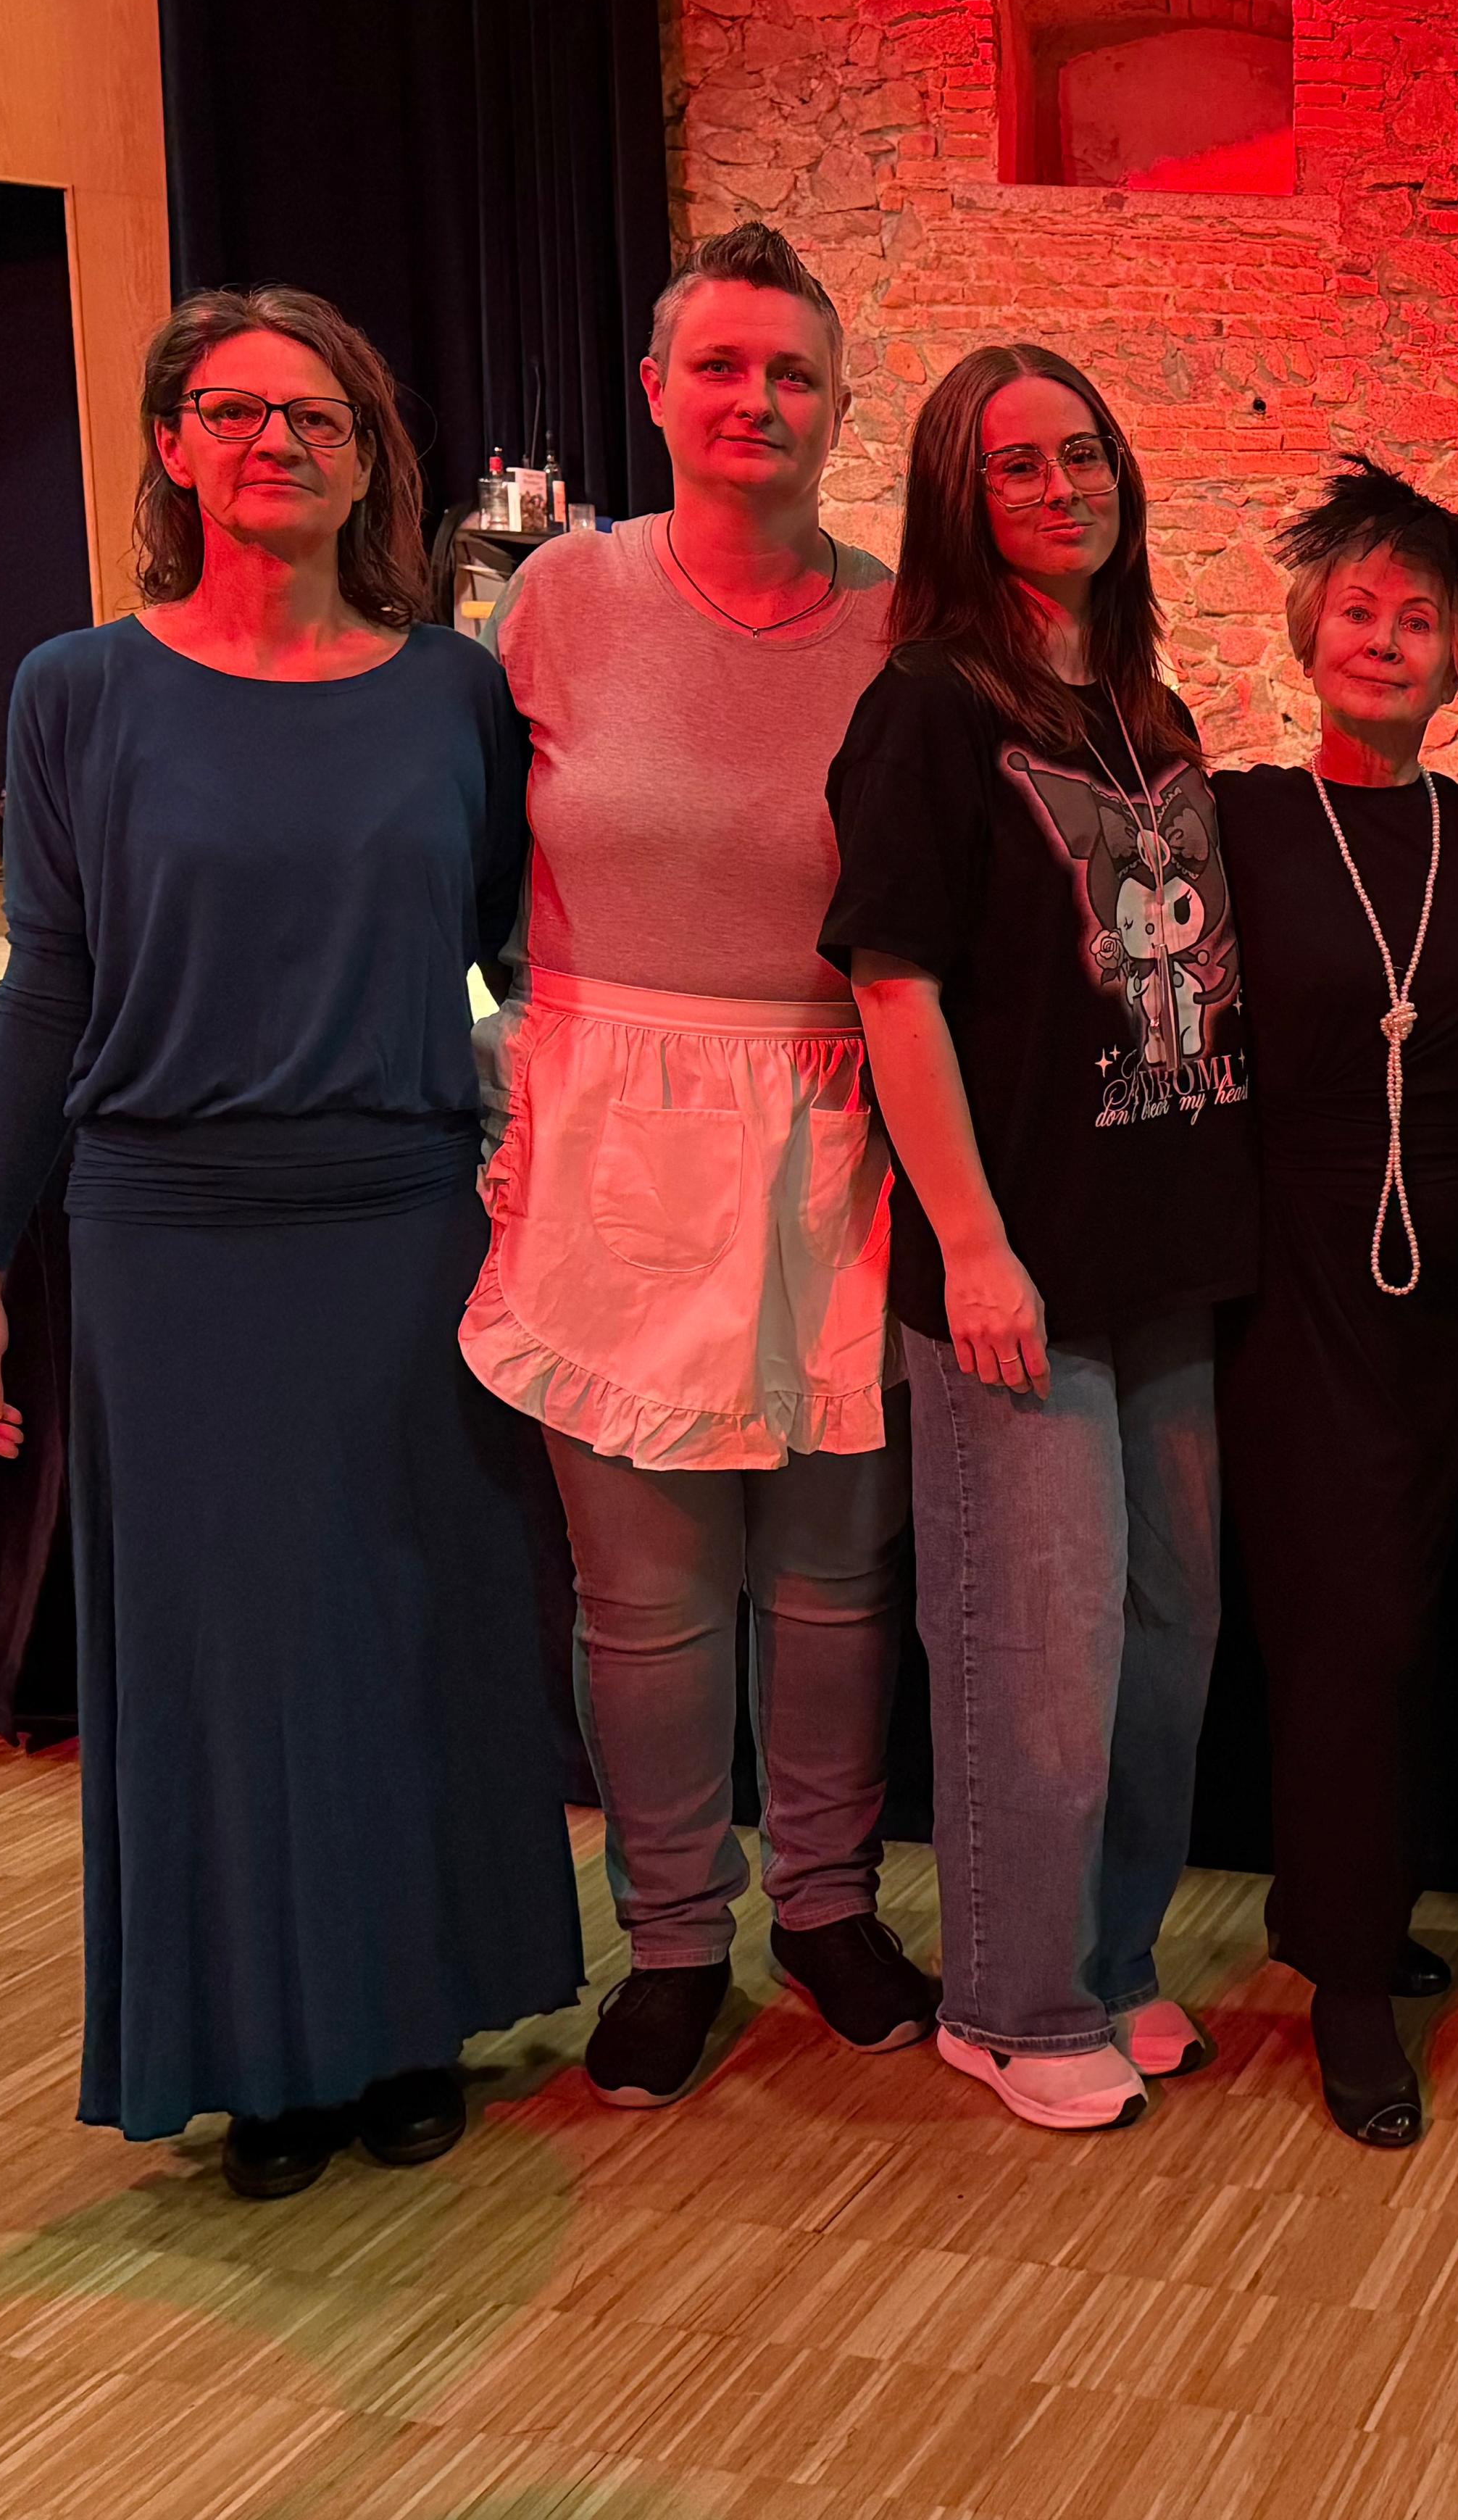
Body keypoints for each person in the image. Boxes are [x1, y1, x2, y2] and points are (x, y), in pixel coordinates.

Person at [0, 288, 578, 2198]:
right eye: (233, 411)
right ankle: (264, 2047)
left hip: (399, 1222)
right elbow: (47, 989)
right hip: (174, 1243)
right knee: (223, 1661)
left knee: (413, 1631)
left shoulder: (452, 692)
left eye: (318, 416)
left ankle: (411, 2017)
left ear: (371, 463)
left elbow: (508, 944)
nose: (276, 441)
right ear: (172, 447)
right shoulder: (78, 691)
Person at [461, 221, 928, 2108]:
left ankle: (827, 1906)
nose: (757, 400)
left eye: (792, 372)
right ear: (654, 391)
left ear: (838, 406)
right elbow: (460, 864)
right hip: (612, 1128)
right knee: (645, 1603)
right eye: (721, 366)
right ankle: (670, 1937)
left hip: (838, 1121)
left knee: (833, 1580)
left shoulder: (904, 625)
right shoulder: (556, 603)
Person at [821, 344, 1255, 2134]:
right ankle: (1009, 1999)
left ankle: (1116, 1956)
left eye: (1085, 455)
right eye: (1016, 465)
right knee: (1039, 1652)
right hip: (1017, 1266)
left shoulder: (1145, 710)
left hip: (1164, 1246)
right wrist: (972, 1243)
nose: (1063, 488)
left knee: (1168, 1638)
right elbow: (892, 985)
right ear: (957, 493)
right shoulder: (926, 706)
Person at [1216, 459, 1458, 2149]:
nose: (1387, 638)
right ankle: (1345, 1983)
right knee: (1344, 1625)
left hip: (1456, 1285)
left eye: (1420, 617)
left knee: (1412, 1615)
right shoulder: (1242, 820)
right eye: (1358, 609)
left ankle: (1340, 1903)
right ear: (1306, 634)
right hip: (1297, 1273)